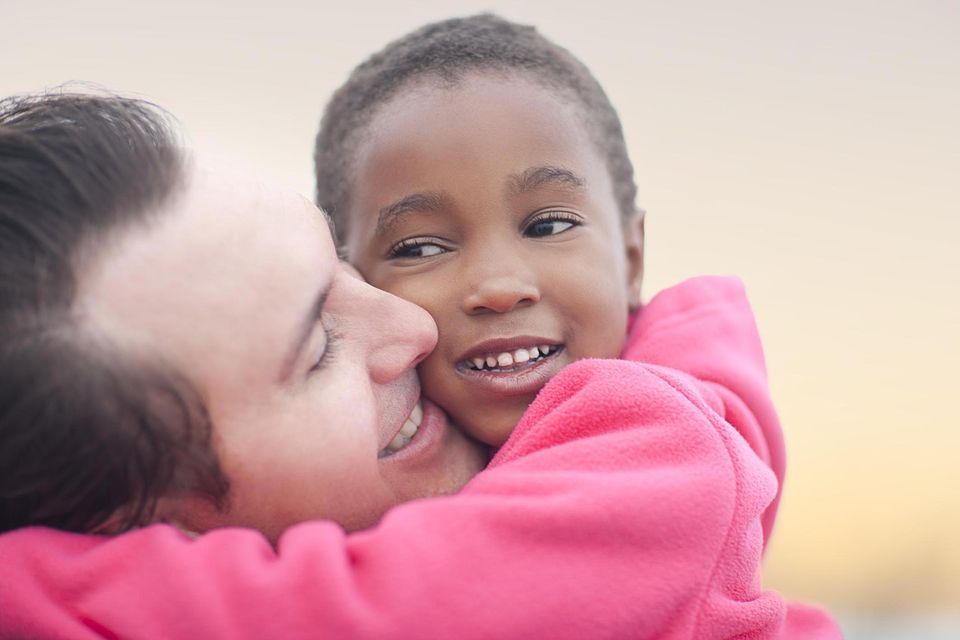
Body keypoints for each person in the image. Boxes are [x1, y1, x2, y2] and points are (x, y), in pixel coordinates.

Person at [0, 93, 840, 637]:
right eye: (320, 348)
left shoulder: (653, 447)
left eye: (343, 265)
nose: (413, 325)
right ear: (151, 539)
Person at [314, 14, 790, 541]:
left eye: (547, 225)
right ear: (350, 284)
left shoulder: (666, 451)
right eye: (421, 247)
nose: (498, 287)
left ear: (631, 260)